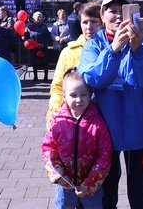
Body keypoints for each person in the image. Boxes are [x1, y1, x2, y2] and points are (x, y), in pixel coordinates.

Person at [78, 0, 143, 209]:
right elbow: (93, 78)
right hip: (104, 134)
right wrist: (114, 49)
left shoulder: (142, 42)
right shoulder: (94, 45)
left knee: (140, 195)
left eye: (123, 10)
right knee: (107, 195)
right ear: (102, 16)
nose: (118, 16)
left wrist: (138, 50)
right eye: (112, 11)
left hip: (140, 131)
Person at [42, 68, 112, 209]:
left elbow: (105, 154)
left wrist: (89, 183)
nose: (79, 99)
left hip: (91, 186)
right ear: (64, 96)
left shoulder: (97, 122)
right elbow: (49, 148)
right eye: (73, 95)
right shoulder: (57, 121)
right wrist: (58, 174)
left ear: (90, 94)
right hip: (65, 183)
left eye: (84, 94)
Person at [47, 2, 102, 123]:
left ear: (102, 23)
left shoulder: (110, 50)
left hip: (103, 120)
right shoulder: (68, 52)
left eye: (94, 21)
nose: (89, 27)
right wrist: (54, 113)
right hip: (73, 121)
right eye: (85, 22)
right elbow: (57, 86)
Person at [24, 11, 52, 81]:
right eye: (37, 16)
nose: (39, 18)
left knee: (44, 62)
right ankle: (35, 77)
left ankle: (46, 77)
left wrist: (44, 43)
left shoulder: (44, 26)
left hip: (42, 47)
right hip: (33, 47)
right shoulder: (30, 26)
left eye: (40, 16)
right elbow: (27, 36)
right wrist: (24, 37)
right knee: (34, 63)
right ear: (34, 17)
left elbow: (47, 36)